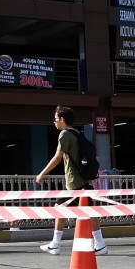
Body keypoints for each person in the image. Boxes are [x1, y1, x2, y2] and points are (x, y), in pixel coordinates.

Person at [35, 106, 107, 254]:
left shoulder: (65, 134)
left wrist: (42, 173)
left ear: (62, 119)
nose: (54, 122)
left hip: (75, 183)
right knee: (82, 211)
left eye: (56, 119)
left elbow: (58, 157)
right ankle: (58, 244)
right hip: (81, 181)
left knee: (74, 210)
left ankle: (99, 244)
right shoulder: (76, 133)